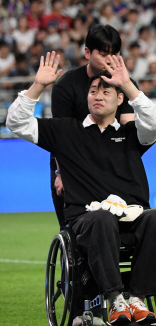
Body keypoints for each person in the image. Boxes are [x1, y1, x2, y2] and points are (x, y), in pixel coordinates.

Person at [7, 52, 156, 326]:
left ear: (120, 99)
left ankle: (138, 299)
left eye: (106, 90)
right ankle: (115, 299)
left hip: (130, 218)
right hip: (86, 220)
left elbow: (155, 124)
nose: (97, 94)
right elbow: (16, 123)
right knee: (102, 219)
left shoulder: (132, 134)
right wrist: (37, 86)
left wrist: (128, 85)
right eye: (93, 90)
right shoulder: (65, 131)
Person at [51, 24, 136, 228]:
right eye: (104, 53)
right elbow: (60, 137)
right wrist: (60, 173)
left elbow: (128, 130)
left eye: (115, 53)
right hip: (72, 166)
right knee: (74, 232)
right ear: (87, 52)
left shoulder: (124, 84)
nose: (110, 59)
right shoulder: (65, 87)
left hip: (110, 165)